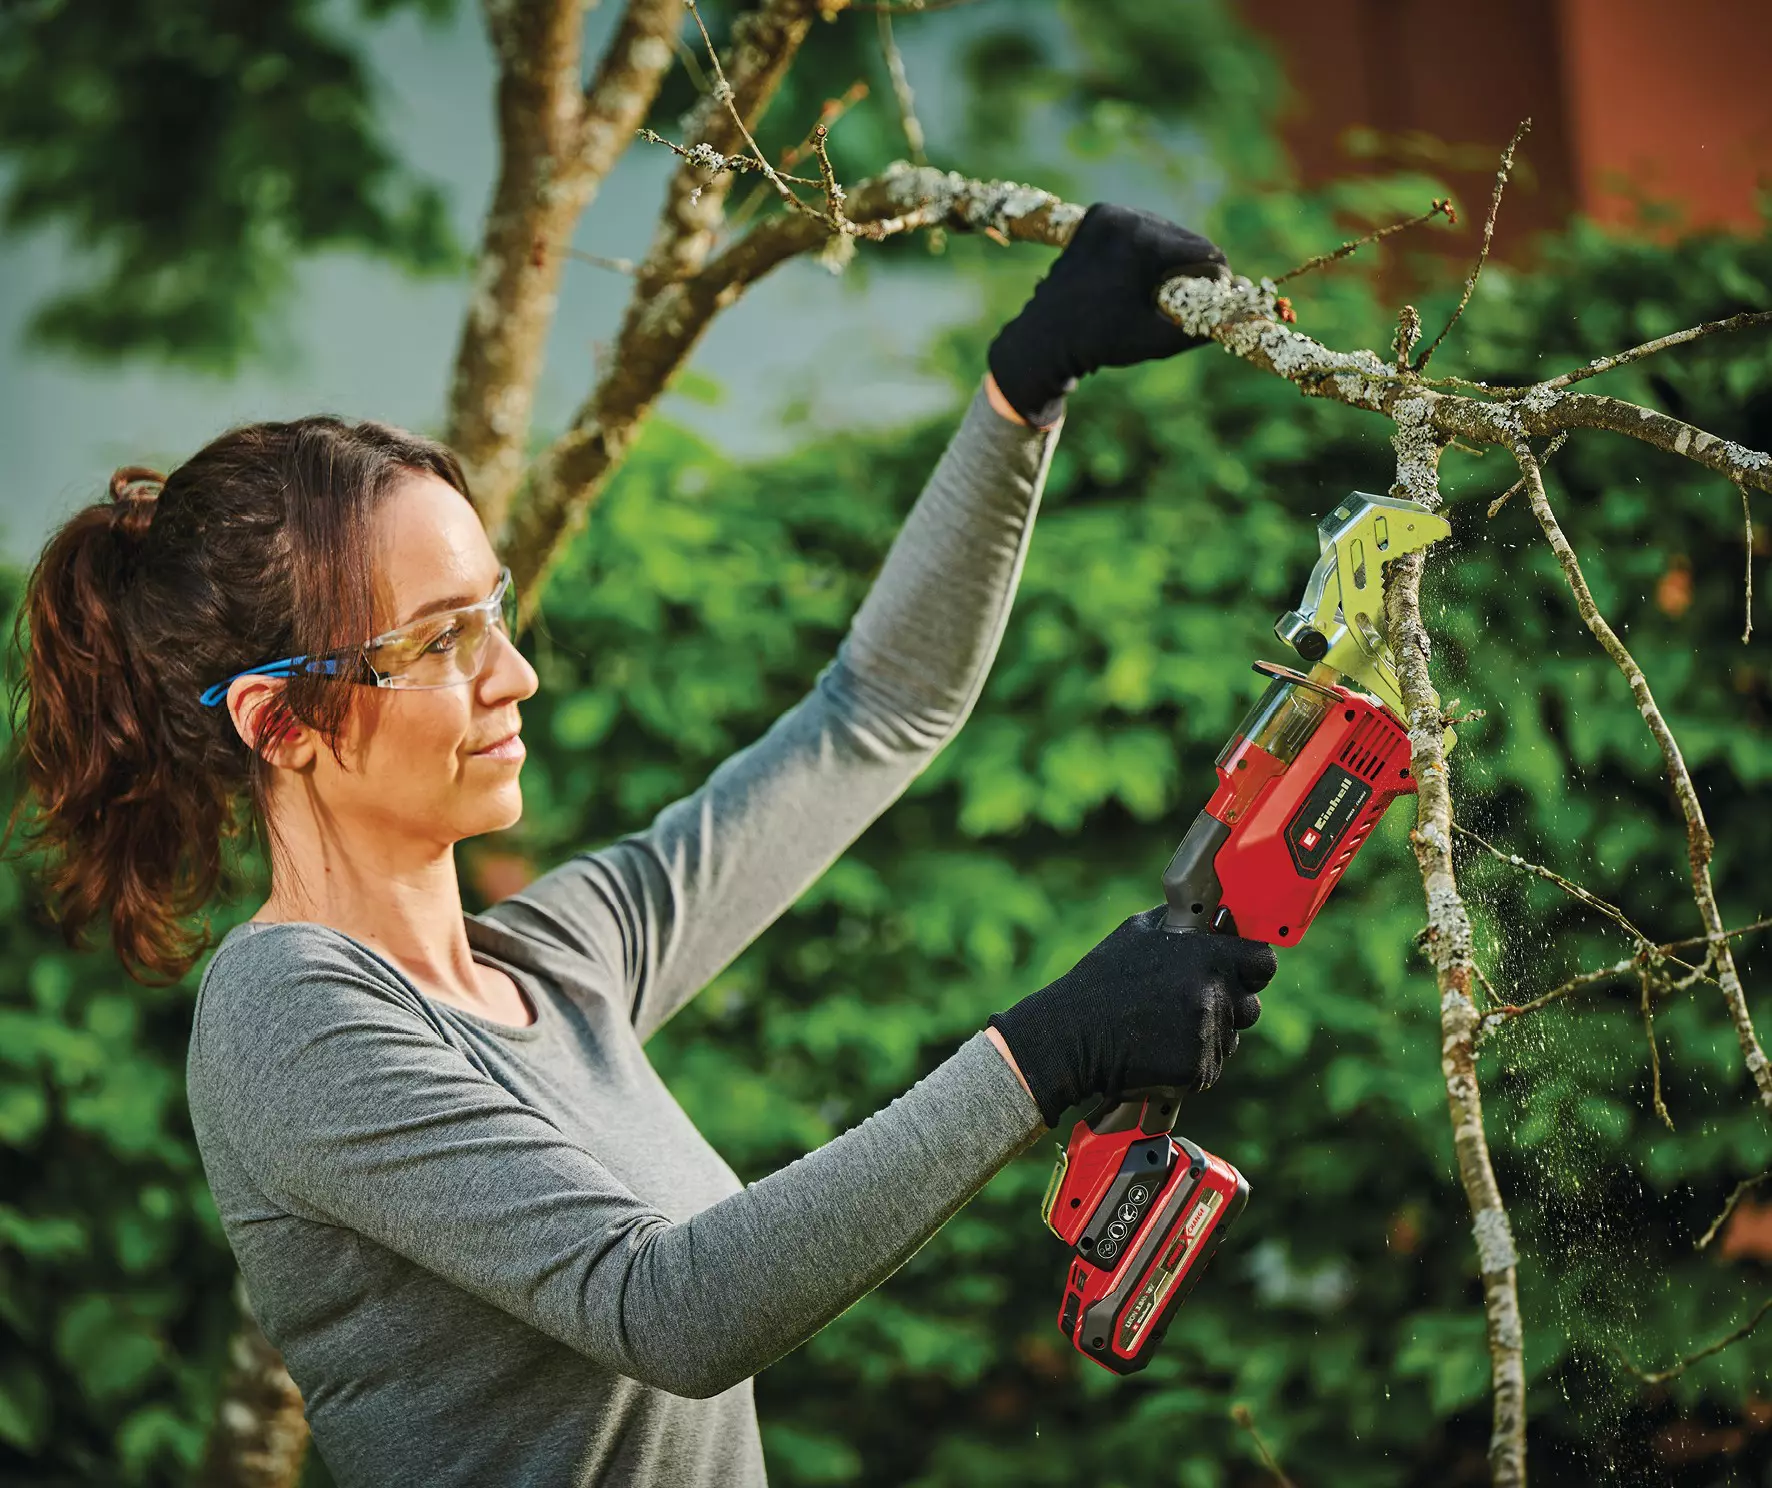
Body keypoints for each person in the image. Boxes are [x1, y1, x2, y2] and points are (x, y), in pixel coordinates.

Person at [14, 204, 1276, 1487]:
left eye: (492, 612)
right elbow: (668, 1310)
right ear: (278, 720)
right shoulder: (289, 1018)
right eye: (437, 641)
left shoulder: (560, 962)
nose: (513, 674)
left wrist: (1022, 387)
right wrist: (1048, 1049)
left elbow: (875, 715)